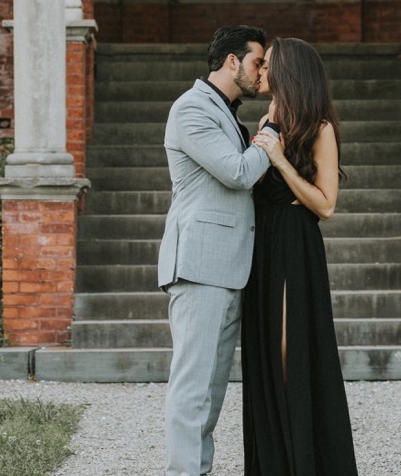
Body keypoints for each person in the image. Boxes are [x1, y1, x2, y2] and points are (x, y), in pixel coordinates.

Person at [159, 25, 273, 476]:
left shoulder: (228, 113)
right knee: (192, 386)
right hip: (201, 266)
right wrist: (274, 129)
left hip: (228, 266)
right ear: (231, 61)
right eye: (256, 62)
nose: (261, 71)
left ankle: (197, 470)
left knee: (212, 386)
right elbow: (238, 173)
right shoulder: (191, 109)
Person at [244, 37, 358, 476]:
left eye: (268, 64)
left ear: (288, 72)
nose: (261, 71)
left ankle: (305, 463)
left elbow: (327, 205)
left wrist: (280, 161)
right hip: (264, 241)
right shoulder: (267, 118)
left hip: (295, 241)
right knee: (266, 351)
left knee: (291, 350)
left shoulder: (320, 127)